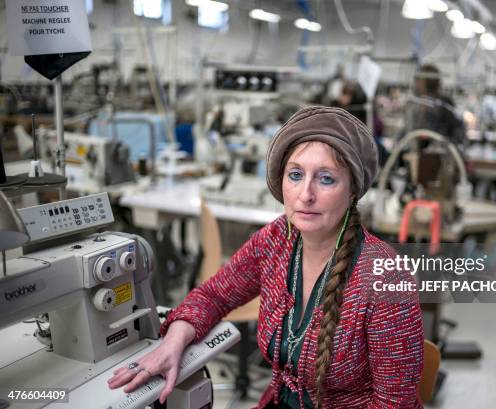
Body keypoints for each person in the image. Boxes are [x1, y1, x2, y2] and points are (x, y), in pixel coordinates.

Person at [108, 106, 424, 408]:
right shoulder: (277, 240)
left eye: (326, 178)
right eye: (296, 175)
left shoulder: (386, 278)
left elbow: (394, 403)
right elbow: (214, 294)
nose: (306, 194)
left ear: (353, 189)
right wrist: (172, 343)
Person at [406, 64, 465, 147]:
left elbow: (456, 129)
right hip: (419, 151)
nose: (417, 83)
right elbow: (410, 130)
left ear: (428, 81)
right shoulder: (416, 102)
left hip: (440, 153)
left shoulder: (443, 103)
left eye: (419, 80)